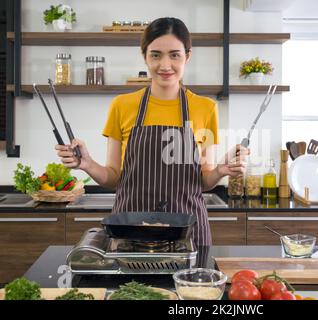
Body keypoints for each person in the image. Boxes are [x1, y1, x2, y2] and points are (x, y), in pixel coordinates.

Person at [55, 17, 248, 246]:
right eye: (155, 55)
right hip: (130, 230)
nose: (165, 65)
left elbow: (204, 181)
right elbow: (115, 177)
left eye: (174, 55)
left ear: (188, 56)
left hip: (187, 234)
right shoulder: (122, 105)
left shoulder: (205, 108)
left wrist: (220, 170)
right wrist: (87, 164)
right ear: (145, 56)